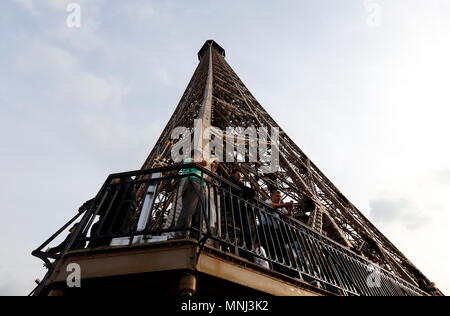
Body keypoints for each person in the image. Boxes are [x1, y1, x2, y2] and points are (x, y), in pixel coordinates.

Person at [170, 149, 208, 240]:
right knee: (188, 210)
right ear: (194, 155)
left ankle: (195, 237)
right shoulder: (188, 160)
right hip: (192, 184)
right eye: (200, 156)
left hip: (201, 187)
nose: (201, 157)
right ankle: (179, 235)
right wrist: (208, 160)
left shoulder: (199, 165)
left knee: (199, 214)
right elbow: (203, 162)